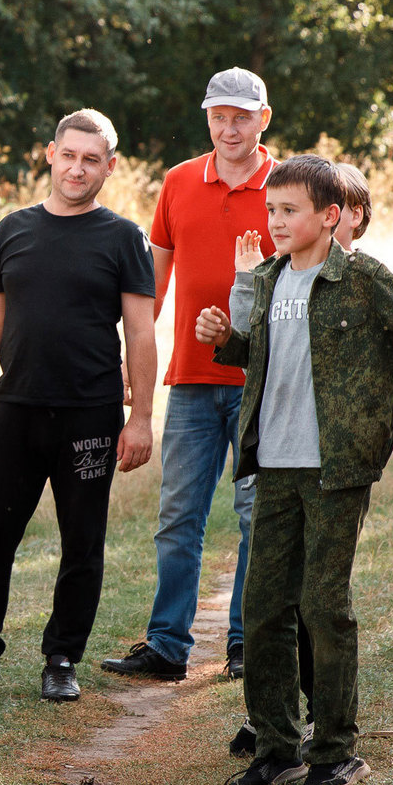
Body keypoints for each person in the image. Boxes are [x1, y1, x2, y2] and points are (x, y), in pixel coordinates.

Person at [197, 156, 393, 785]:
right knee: (263, 610)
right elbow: (259, 355)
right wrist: (223, 338)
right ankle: (275, 747)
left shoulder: (364, 279)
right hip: (274, 466)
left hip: (337, 469)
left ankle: (336, 750)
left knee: (323, 605)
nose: (275, 222)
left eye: (289, 211)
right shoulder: (264, 280)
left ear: (330, 216)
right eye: (270, 210)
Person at [0, 110, 156, 704]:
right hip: (16, 412)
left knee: (82, 541)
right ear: (50, 154)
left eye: (91, 159)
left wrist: (142, 417)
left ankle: (62, 657)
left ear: (110, 166)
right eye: (69, 155)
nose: (78, 168)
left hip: (90, 417)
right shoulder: (13, 228)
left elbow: (142, 332)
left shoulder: (123, 238)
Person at [107, 69, 274, 686]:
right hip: (192, 382)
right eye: (218, 116)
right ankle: (167, 645)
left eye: (241, 116)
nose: (229, 128)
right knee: (179, 517)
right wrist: (134, 362)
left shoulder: (286, 185)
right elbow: (152, 288)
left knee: (257, 516)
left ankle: (244, 642)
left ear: (263, 118)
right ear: (207, 119)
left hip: (262, 382)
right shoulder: (179, 181)